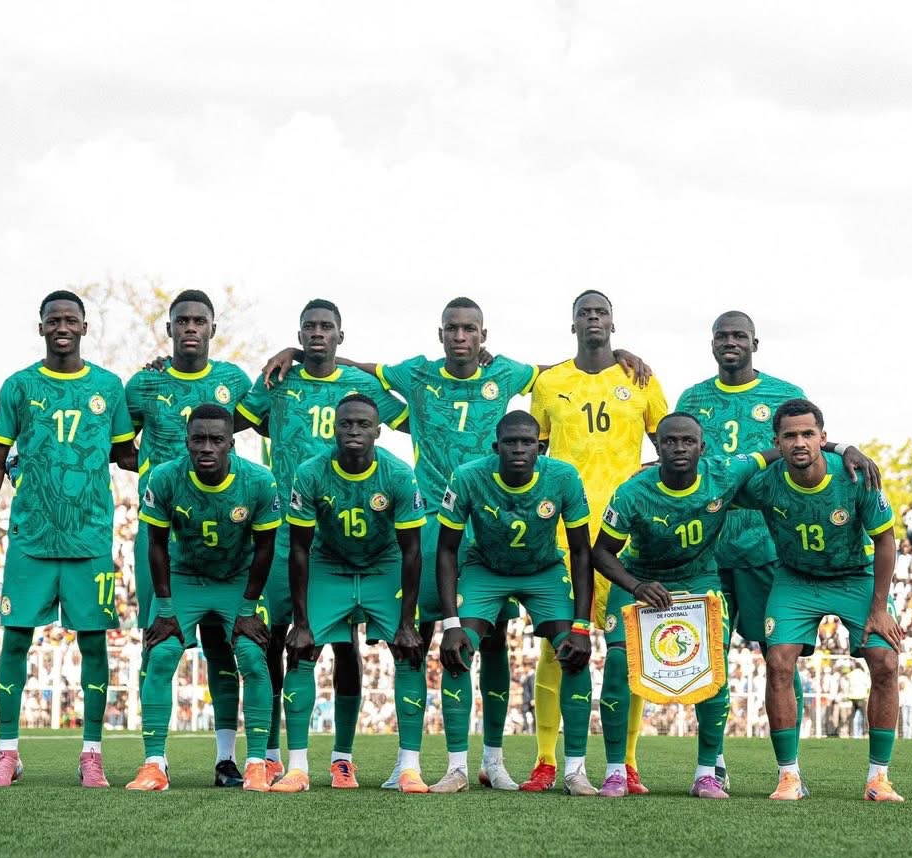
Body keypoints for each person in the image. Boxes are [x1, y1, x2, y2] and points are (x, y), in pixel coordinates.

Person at [263, 295, 648, 788]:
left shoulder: (506, 374)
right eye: (452, 328)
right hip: (430, 525)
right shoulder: (416, 375)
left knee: (494, 645)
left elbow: (560, 371)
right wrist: (296, 354)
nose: (461, 336)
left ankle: (492, 761)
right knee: (425, 639)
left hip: (491, 530)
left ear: (482, 336)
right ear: (440, 333)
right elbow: (358, 365)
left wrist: (613, 358)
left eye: (470, 329)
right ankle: (416, 764)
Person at [236, 298, 408, 788]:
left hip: (339, 539)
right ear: (299, 332)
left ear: (340, 335)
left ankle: (342, 756)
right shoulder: (276, 380)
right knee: (275, 640)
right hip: (284, 529)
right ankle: (270, 753)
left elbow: (414, 420)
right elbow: (230, 424)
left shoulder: (360, 387)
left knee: (344, 643)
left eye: (326, 327)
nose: (317, 333)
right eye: (308, 327)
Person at [0, 291, 136, 788]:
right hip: (30, 537)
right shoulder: (20, 386)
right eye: (53, 319)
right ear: (41, 326)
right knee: (15, 639)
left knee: (94, 642)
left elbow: (125, 456)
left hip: (89, 538)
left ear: (86, 328)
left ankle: (91, 753)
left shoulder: (109, 388)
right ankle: (8, 752)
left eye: (71, 319)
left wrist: (173, 444)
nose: (62, 326)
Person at [526, 289, 665, 794]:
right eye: (583, 313)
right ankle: (545, 760)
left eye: (600, 312)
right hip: (563, 536)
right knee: (556, 646)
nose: (592, 319)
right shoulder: (550, 382)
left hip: (624, 538)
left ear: (613, 322)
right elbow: (532, 452)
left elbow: (670, 443)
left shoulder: (640, 379)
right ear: (572, 325)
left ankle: (625, 762)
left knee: (628, 652)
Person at [591, 413, 772, 798]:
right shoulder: (632, 491)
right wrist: (636, 585)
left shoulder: (723, 473)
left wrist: (837, 447)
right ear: (656, 447)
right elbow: (602, 554)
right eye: (670, 441)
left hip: (699, 580)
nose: (679, 448)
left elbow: (775, 453)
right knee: (619, 662)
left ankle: (707, 772)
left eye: (688, 441)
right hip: (641, 579)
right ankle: (614, 771)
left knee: (713, 666)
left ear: (702, 447)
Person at [735, 398, 904, 801]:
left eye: (808, 434)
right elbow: (718, 482)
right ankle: (789, 777)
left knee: (886, 661)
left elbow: (885, 541)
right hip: (796, 579)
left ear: (823, 438)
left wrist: (879, 609)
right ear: (776, 441)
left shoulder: (855, 476)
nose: (799, 442)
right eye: (790, 435)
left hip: (855, 577)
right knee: (777, 662)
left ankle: (878, 779)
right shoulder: (765, 481)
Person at [126, 289, 253, 787]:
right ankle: (154, 759)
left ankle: (226, 760)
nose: (191, 328)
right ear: (170, 329)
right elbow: (119, 450)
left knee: (224, 648)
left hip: (224, 538)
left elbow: (263, 417)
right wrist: (163, 474)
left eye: (201, 320)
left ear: (213, 329)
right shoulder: (143, 385)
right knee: (159, 643)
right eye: (183, 321)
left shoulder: (234, 382)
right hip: (163, 536)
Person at [676, 309, 807, 788]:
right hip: (705, 549)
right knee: (708, 658)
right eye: (721, 336)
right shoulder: (693, 398)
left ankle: (788, 767)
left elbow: (806, 453)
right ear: (711, 344)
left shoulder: (783, 395)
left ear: (756, 342)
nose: (730, 342)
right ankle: (714, 763)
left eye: (739, 336)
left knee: (779, 656)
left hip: (763, 544)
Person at [434, 411, 597, 794]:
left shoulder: (563, 477)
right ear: (497, 447)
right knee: (457, 651)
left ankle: (575, 770)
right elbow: (446, 549)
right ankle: (460, 767)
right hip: (486, 568)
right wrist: (450, 624)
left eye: (528, 442)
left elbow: (581, 551)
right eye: (511, 442)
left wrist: (582, 626)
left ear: (540, 447)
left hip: (543, 570)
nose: (520, 449)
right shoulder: (468, 476)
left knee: (573, 652)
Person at [275, 394, 426, 793]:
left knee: (409, 651)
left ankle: (408, 768)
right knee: (303, 650)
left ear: (378, 430)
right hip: (330, 565)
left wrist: (407, 622)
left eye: (363, 425)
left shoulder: (397, 473)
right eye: (346, 424)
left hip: (383, 564)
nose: (354, 430)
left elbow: (412, 550)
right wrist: (301, 621)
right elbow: (299, 549)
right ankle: (298, 768)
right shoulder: (311, 472)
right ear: (334, 428)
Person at [126, 405, 280, 792]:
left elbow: (265, 549)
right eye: (198, 439)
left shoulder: (259, 481)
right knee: (160, 654)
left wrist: (247, 609)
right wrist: (163, 607)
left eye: (216, 440)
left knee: (251, 656)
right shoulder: (164, 478)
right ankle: (154, 764)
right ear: (187, 442)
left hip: (237, 580)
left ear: (231, 443)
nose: (206, 447)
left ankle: (256, 763)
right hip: (186, 577)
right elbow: (156, 545)